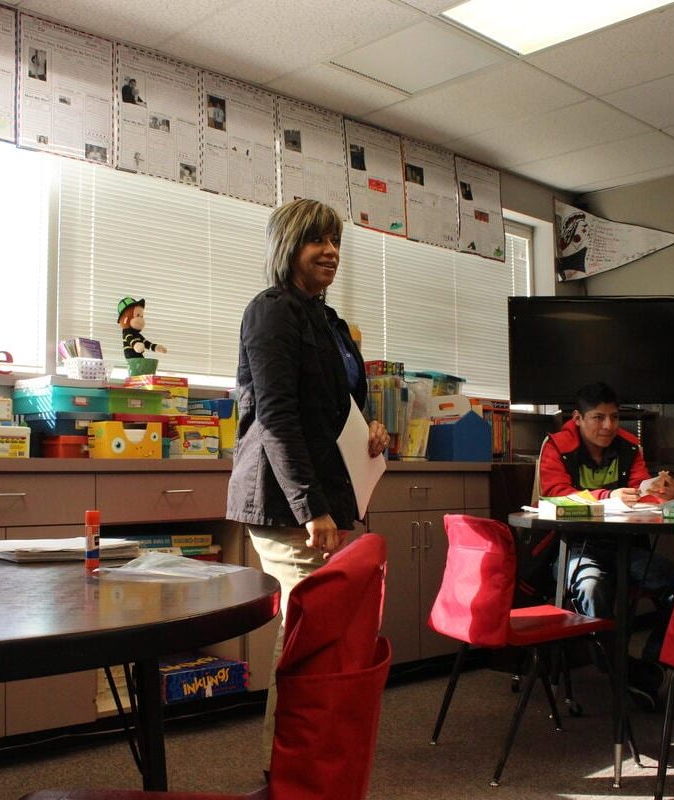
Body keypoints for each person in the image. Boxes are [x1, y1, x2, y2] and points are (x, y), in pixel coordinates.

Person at [225, 198, 390, 768]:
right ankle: (286, 768)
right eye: (317, 240)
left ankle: (313, 755)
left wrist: (371, 429)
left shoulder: (330, 321)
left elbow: (335, 407)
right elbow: (276, 415)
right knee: (304, 636)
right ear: (287, 246)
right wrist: (310, 507)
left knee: (323, 634)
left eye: (336, 241)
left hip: (327, 494)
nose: (331, 251)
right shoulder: (272, 311)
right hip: (288, 502)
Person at [538, 381, 674, 709]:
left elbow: (643, 491)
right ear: (577, 418)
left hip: (623, 546)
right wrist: (608, 497)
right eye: (598, 418)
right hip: (574, 547)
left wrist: (661, 493)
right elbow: (554, 493)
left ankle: (655, 664)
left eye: (614, 417)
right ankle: (622, 671)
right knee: (591, 587)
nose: (608, 426)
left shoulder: (630, 446)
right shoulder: (557, 445)